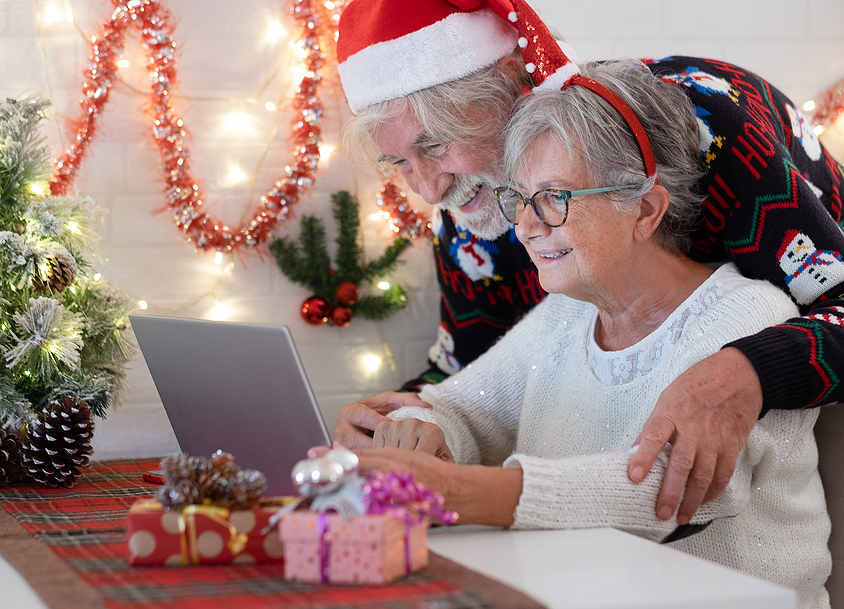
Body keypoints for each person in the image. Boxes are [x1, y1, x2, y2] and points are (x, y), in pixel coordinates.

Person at [333, 0, 844, 526]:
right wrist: (398, 422)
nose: (428, 190)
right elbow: (472, 374)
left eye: (436, 145)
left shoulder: (703, 128)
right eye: (399, 164)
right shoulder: (473, 208)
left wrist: (750, 367)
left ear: (513, 81)